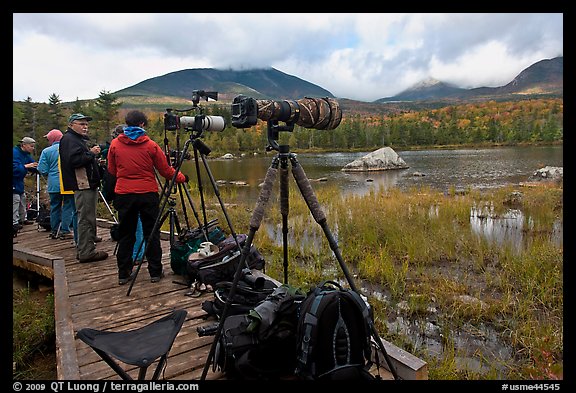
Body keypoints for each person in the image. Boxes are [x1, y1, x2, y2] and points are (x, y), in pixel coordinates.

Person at [107, 110, 187, 285]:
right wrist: (182, 177)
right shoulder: (151, 145)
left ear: (127, 124)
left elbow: (112, 170)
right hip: (147, 194)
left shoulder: (115, 145)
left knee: (126, 234)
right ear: (142, 124)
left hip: (124, 195)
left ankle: (123, 273)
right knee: (152, 233)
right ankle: (155, 272)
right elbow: (165, 171)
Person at [59, 113, 108, 263]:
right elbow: (74, 161)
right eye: (81, 124)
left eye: (86, 124)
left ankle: (88, 243)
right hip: (82, 184)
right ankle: (86, 251)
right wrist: (91, 153)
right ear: (71, 125)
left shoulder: (76, 139)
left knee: (88, 216)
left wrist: (95, 160)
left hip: (87, 183)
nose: (85, 127)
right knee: (85, 217)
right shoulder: (69, 140)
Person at [37, 129, 78, 241]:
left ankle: (55, 230)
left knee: (55, 206)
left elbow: (42, 169)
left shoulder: (46, 151)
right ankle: (65, 230)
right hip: (67, 182)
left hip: (53, 184)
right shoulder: (68, 148)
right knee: (68, 206)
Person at [13, 136, 38, 237]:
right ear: (24, 145)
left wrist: (37, 168)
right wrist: (26, 166)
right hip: (13, 181)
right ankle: (14, 223)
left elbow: (31, 164)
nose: (32, 148)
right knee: (15, 200)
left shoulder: (26, 154)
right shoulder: (14, 153)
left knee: (22, 199)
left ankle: (23, 219)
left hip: (19, 182)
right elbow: (14, 169)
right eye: (31, 146)